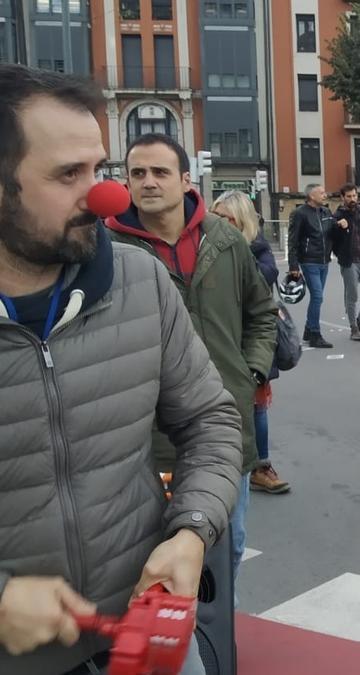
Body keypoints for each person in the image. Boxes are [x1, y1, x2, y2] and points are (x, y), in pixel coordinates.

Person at [0, 63, 240, 675]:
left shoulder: (140, 281)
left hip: (140, 632)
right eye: (68, 175)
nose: (108, 195)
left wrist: (190, 532)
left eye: (101, 170)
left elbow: (211, 419)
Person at [107, 134, 277, 585]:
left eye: (160, 172)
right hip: (146, 437)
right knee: (151, 554)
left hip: (225, 425)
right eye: (137, 173)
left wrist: (250, 371)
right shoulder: (106, 250)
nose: (147, 182)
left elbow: (262, 314)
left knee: (228, 546)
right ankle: (164, 645)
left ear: (186, 180)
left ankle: (217, 647)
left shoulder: (225, 240)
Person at [212, 191, 291, 495]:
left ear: (241, 221)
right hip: (217, 339)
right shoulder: (206, 249)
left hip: (249, 345)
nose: (216, 223)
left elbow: (257, 286)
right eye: (214, 216)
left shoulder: (259, 254)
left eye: (224, 218)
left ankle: (260, 466)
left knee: (256, 408)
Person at [287, 184, 336, 348]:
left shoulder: (326, 212)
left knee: (318, 297)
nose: (325, 195)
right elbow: (293, 240)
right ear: (311, 196)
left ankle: (309, 329)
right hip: (309, 260)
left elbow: (331, 234)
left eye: (324, 192)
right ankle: (314, 333)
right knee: (317, 296)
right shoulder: (300, 214)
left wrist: (340, 226)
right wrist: (293, 265)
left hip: (324, 260)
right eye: (321, 193)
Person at [332, 184, 360, 341]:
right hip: (349, 262)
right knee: (352, 295)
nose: (352, 199)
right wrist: (339, 228)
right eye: (349, 196)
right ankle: (353, 327)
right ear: (342, 197)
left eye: (354, 196)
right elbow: (333, 240)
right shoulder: (338, 216)